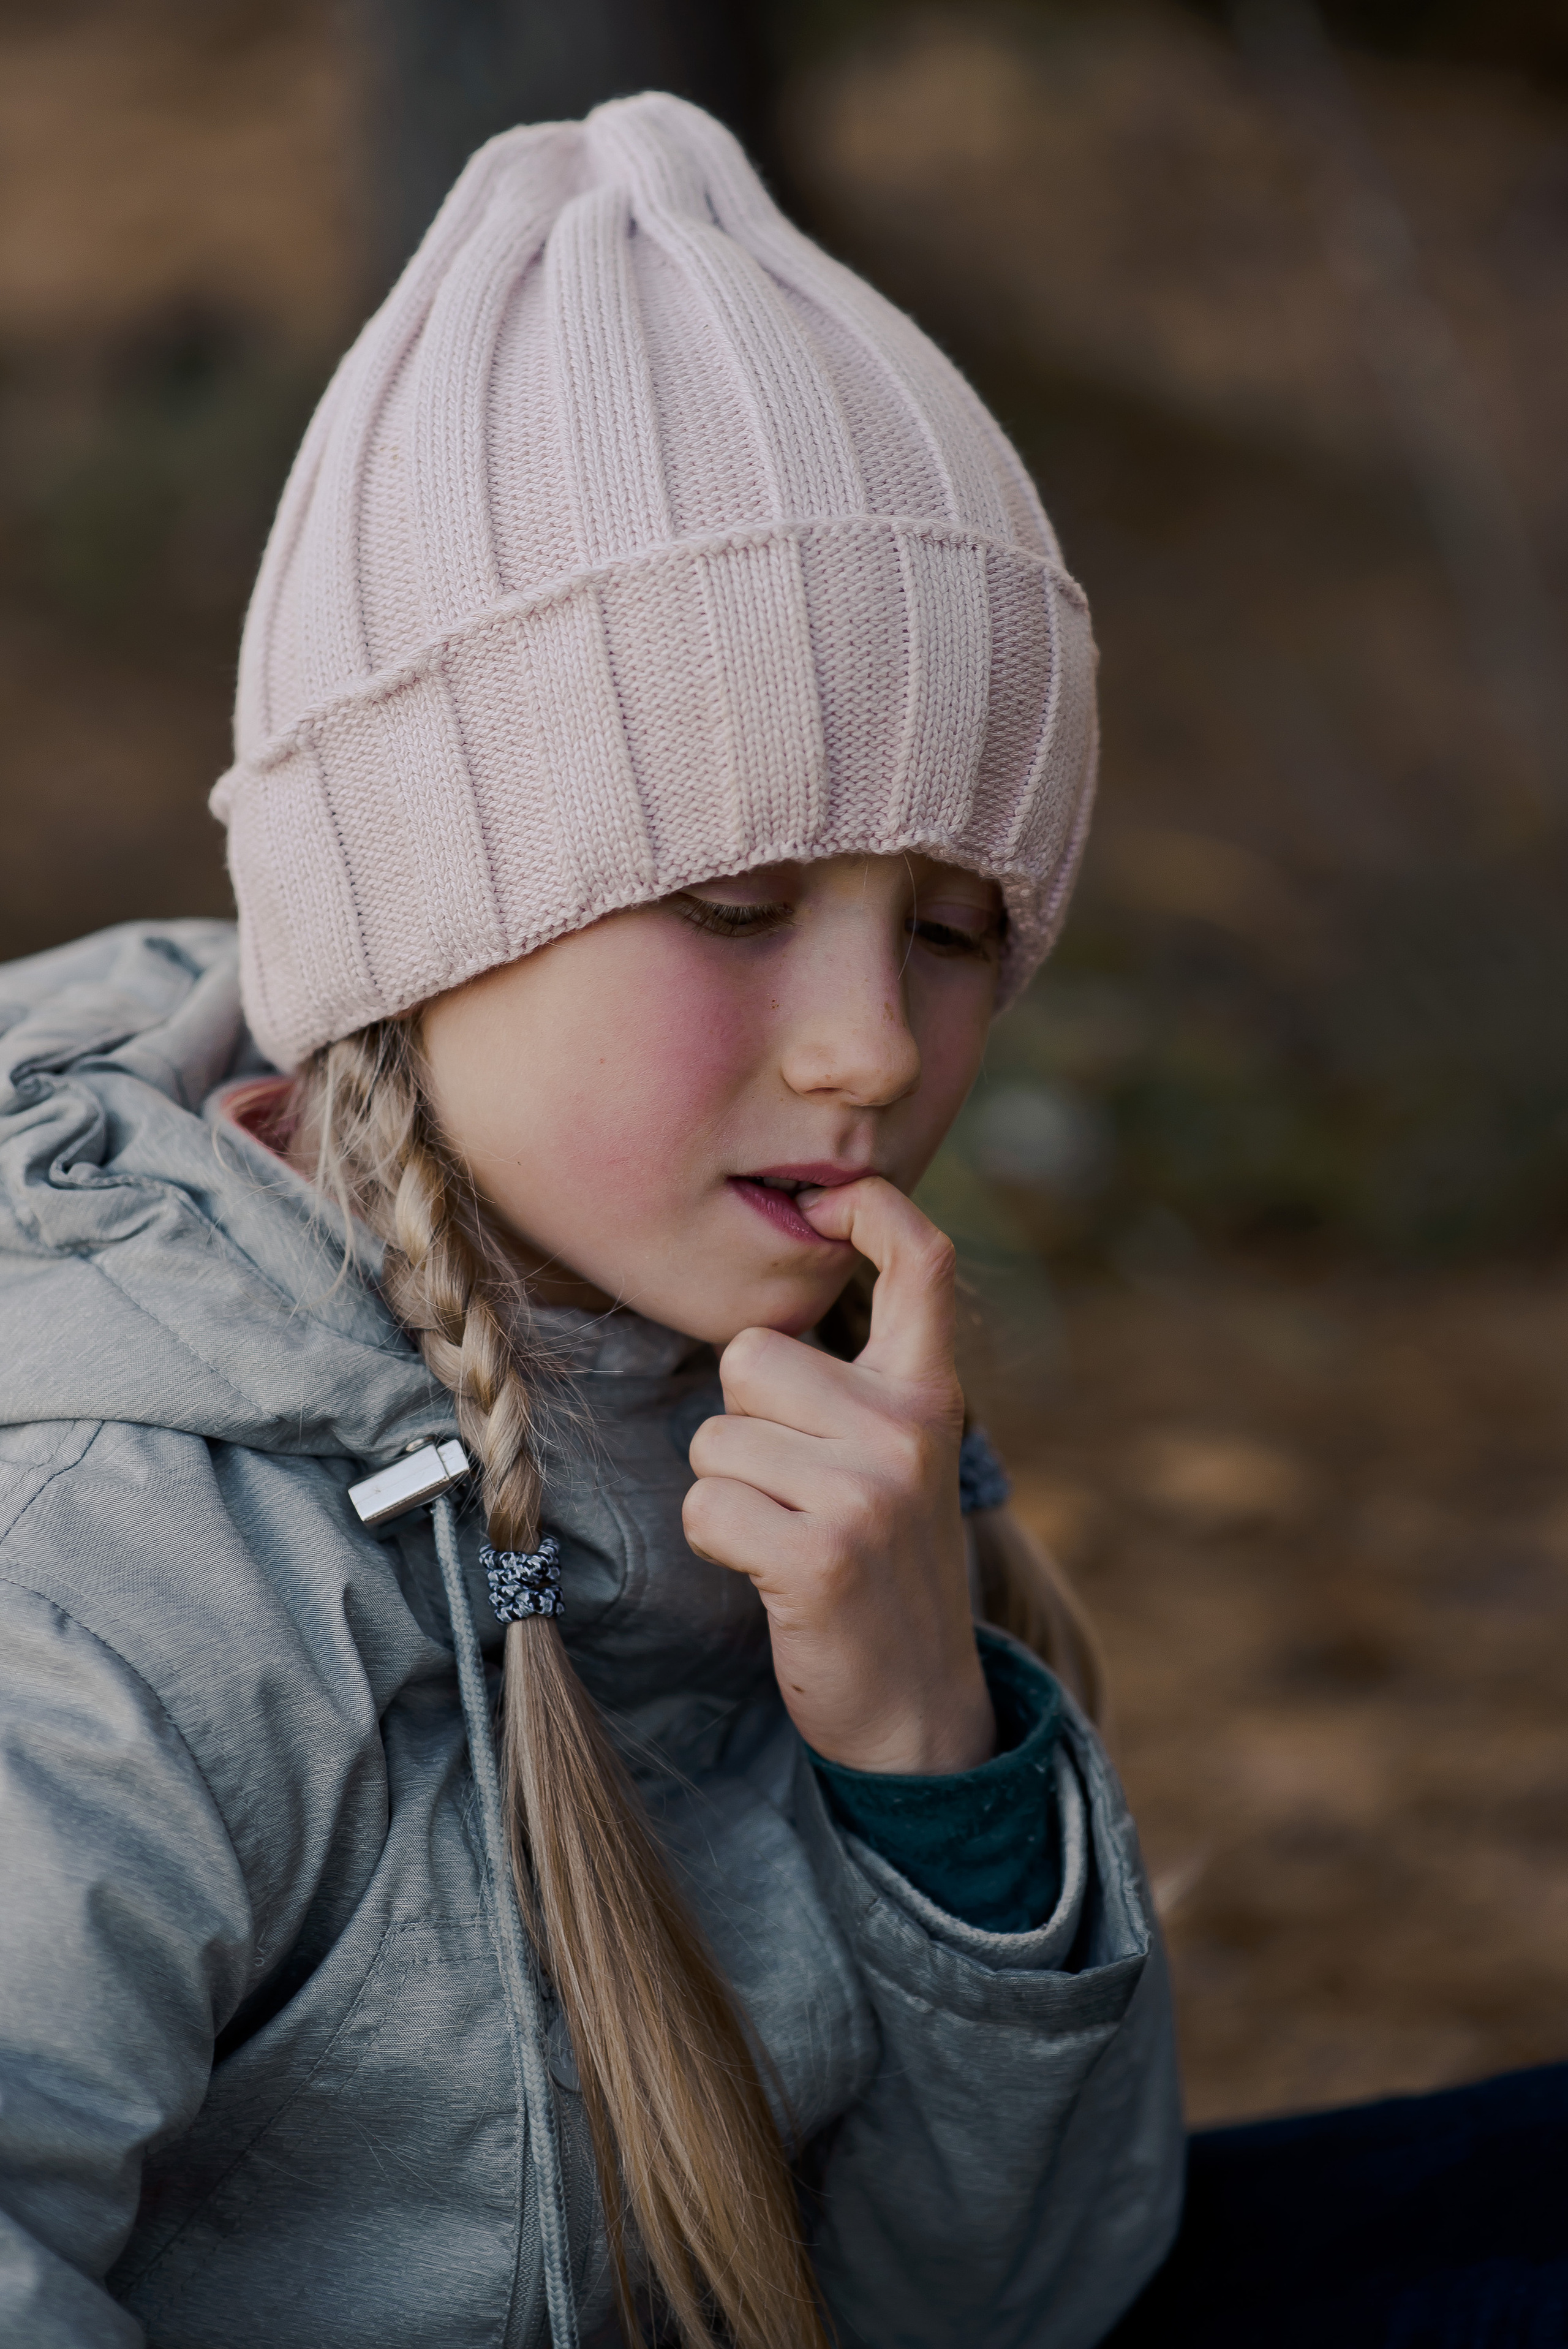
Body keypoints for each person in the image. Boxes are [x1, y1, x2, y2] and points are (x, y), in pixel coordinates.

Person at [0, 94, 1181, 2349]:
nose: (868, 1049)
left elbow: (1030, 2303)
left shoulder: (798, 1406)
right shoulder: (103, 1573)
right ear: (414, 924)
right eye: (734, 902)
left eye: (950, 928)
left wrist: (930, 1755)